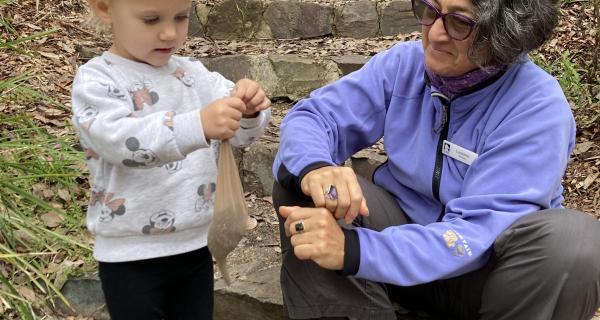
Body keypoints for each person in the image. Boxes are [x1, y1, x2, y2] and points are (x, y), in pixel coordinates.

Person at [272, 0, 600, 319]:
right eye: (430, 10)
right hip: (397, 246)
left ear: (503, 34)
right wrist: (317, 168)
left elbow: (475, 234)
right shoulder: (403, 66)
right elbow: (316, 118)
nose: (436, 33)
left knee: (575, 243)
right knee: (305, 180)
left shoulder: (536, 107)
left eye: (460, 22)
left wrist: (356, 250)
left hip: (486, 276)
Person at [71, 0, 271, 318]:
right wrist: (197, 125)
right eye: (151, 19)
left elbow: (243, 135)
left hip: (195, 245)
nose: (169, 33)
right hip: (129, 254)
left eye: (180, 17)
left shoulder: (193, 74)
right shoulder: (97, 80)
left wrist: (249, 109)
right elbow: (119, 142)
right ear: (105, 8)